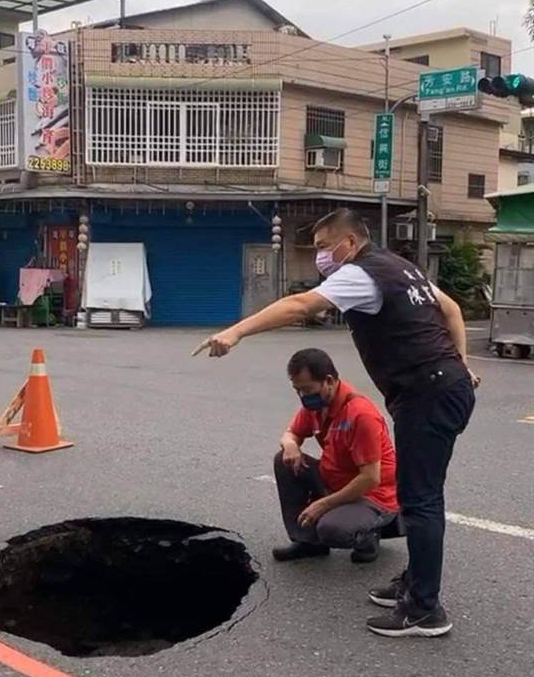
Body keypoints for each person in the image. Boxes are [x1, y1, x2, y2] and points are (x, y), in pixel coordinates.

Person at [194, 208, 478, 638]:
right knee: (418, 492)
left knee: (422, 500)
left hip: (428, 392)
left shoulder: (362, 273)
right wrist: (461, 364)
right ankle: (415, 584)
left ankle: (424, 609)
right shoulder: (399, 268)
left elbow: (301, 305)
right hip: (440, 386)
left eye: (325, 246)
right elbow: (452, 309)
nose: (322, 256)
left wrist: (236, 332)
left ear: (349, 242)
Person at [274, 348, 401, 565]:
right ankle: (308, 542)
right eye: (297, 390)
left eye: (307, 389)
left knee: (332, 529)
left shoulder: (360, 415)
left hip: (373, 495)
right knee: (283, 460)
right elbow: (291, 433)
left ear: (329, 381)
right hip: (336, 480)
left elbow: (370, 478)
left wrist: (323, 505)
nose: (303, 396)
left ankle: (369, 535)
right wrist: (290, 444)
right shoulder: (317, 405)